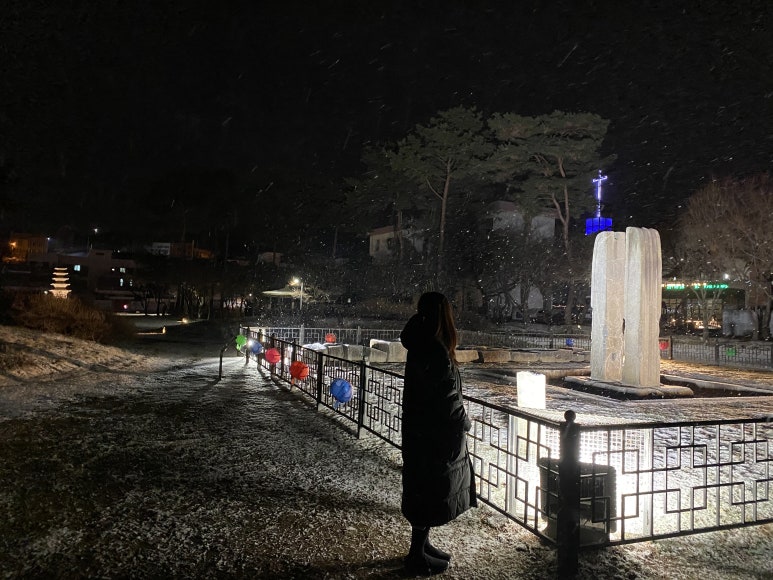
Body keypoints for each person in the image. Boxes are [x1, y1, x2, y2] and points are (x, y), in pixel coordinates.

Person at [399, 291, 477, 576]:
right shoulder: (434, 349)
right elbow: (447, 397)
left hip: (420, 430)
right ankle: (416, 555)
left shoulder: (420, 343)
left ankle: (421, 546)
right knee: (429, 489)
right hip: (435, 434)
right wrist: (464, 422)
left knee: (422, 487)